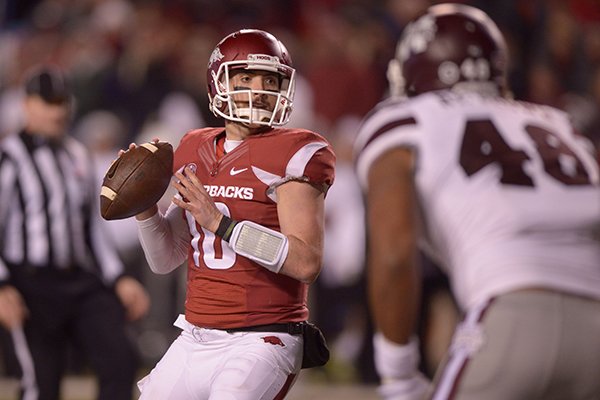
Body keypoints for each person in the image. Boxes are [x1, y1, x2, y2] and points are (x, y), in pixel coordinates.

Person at [354, 3, 600, 400]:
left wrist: (398, 373)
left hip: (511, 313)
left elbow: (395, 250)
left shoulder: (403, 120)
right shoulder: (559, 124)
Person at [130, 29, 336, 400]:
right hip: (194, 335)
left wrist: (222, 224)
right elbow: (165, 260)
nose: (258, 90)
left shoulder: (297, 150)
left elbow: (306, 261)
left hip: (262, 338)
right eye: (246, 77)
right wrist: (143, 208)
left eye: (270, 80)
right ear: (218, 81)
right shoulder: (194, 145)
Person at [0, 65, 150, 400]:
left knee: (120, 361)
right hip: (29, 284)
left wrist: (118, 278)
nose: (57, 111)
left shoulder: (77, 154)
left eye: (61, 102)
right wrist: (2, 285)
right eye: (47, 102)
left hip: (79, 281)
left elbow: (92, 229)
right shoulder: (8, 157)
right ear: (27, 105)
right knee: (41, 382)